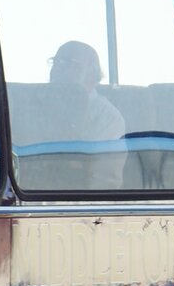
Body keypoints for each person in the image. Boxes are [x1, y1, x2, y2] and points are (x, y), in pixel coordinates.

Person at [46, 39, 127, 186]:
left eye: (67, 63)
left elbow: (95, 170)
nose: (57, 69)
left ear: (92, 73)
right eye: (56, 62)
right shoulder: (39, 107)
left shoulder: (108, 117)